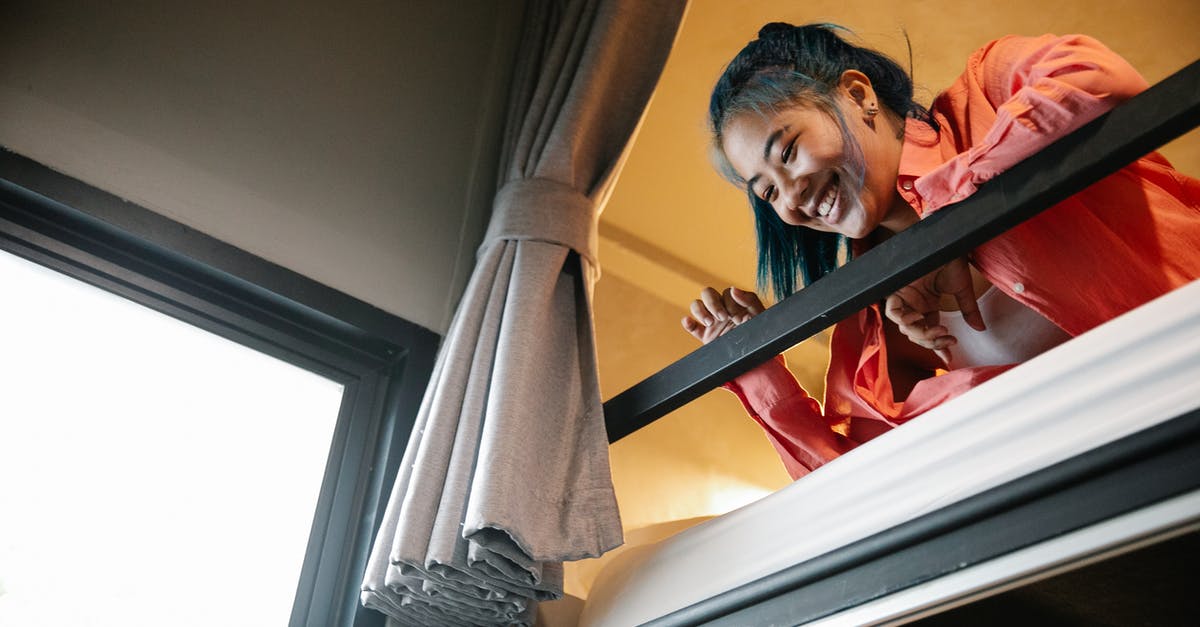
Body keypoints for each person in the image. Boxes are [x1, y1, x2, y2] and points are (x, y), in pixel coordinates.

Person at [682, 23, 1200, 480]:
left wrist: (949, 218)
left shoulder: (987, 89)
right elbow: (855, 482)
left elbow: (1098, 76)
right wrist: (754, 363)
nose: (791, 198)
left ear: (858, 95)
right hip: (1134, 466)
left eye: (788, 152)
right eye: (767, 191)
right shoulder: (873, 315)